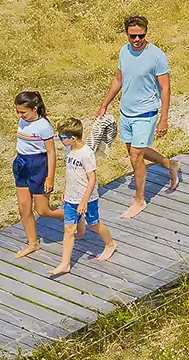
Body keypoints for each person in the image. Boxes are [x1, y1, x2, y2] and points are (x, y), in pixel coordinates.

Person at [94, 15, 179, 219]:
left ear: (146, 33)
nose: (137, 40)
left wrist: (164, 118)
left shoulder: (157, 55)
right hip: (126, 112)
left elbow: (165, 88)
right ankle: (170, 165)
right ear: (126, 34)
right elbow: (118, 79)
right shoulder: (124, 51)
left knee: (135, 156)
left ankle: (139, 200)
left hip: (146, 112)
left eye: (141, 35)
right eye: (133, 36)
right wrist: (104, 105)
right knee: (136, 151)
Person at [49, 118, 118, 276]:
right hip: (71, 198)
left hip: (87, 198)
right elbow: (70, 173)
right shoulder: (69, 151)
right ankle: (65, 263)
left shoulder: (86, 154)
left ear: (72, 138)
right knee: (68, 230)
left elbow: (92, 179)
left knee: (94, 224)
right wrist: (66, 189)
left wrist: (84, 201)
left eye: (62, 138)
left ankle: (110, 244)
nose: (60, 141)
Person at [10, 91, 64, 259]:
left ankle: (73, 216)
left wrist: (50, 177)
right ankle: (32, 243)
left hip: (38, 166)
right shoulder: (22, 121)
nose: (19, 115)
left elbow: (51, 152)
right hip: (21, 165)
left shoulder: (43, 126)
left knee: (42, 210)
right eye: (17, 111)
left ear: (34, 109)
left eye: (22, 112)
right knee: (24, 208)